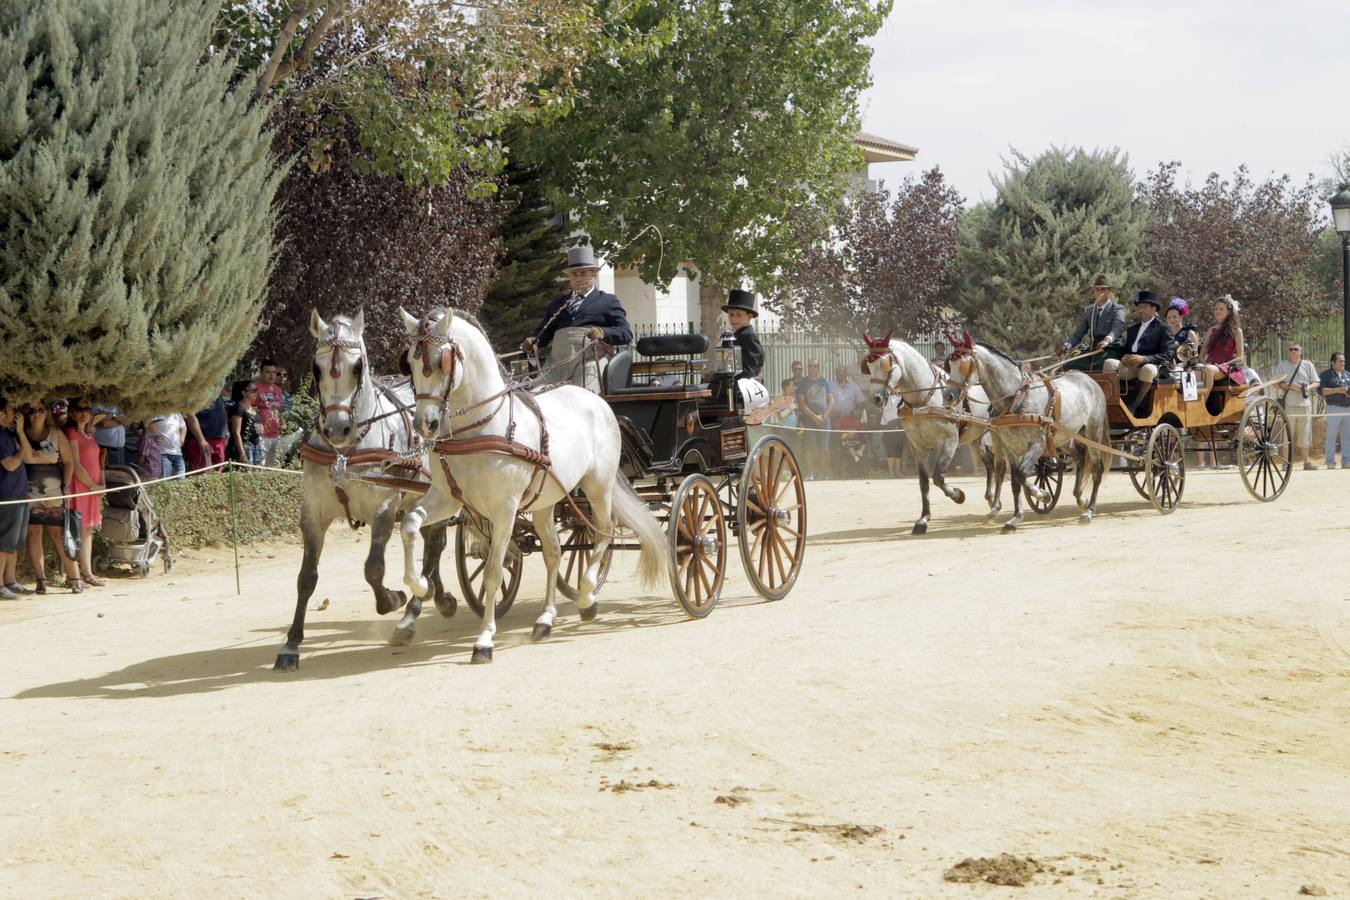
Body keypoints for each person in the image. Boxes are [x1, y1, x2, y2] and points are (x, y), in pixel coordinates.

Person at [521, 247, 632, 392]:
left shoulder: (608, 301)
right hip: (556, 366)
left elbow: (626, 333)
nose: (578, 278)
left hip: (589, 364)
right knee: (535, 395)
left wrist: (603, 332)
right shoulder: (557, 304)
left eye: (583, 273)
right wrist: (533, 341)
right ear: (570, 277)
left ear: (594, 275)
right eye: (574, 274)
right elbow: (544, 333)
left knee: (583, 397)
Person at [23, 404, 80, 594]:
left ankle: (75, 577)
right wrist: (48, 458)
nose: (35, 414)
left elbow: (69, 460)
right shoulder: (22, 433)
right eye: (31, 411)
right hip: (29, 491)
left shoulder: (56, 432)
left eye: (39, 410)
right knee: (34, 533)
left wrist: (66, 485)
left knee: (59, 533)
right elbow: (26, 458)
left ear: (46, 412)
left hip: (54, 489)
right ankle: (41, 580)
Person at [1103, 291, 1174, 416]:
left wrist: (1144, 359)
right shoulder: (1132, 329)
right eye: (1139, 307)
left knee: (1148, 369)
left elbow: (1167, 355)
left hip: (1152, 367)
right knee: (1109, 363)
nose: (1141, 310)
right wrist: (1124, 357)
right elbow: (1126, 350)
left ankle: (1132, 407)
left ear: (1154, 309)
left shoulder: (1163, 328)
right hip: (1131, 367)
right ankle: (1111, 404)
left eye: (1144, 307)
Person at [62, 399, 105, 588]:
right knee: (76, 530)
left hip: (91, 488)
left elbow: (98, 461)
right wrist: (93, 486)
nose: (84, 413)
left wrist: (101, 485)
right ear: (72, 412)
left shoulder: (89, 433)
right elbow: (76, 465)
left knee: (87, 529)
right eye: (80, 409)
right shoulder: (71, 432)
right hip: (80, 486)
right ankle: (75, 574)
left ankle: (87, 572)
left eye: (88, 409)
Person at [0, 397, 38, 599]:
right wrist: (22, 453)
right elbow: (10, 465)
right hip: (7, 495)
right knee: (4, 542)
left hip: (20, 493)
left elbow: (28, 454)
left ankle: (11, 580)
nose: (14, 416)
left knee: (14, 542)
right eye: (10, 412)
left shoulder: (10, 433)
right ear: (0, 414)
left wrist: (21, 432)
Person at [1059, 274, 1126, 371]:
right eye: (1096, 289)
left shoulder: (1117, 309)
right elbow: (1079, 333)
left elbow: (1118, 328)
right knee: (1067, 366)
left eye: (1102, 289)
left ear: (1110, 291)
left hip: (1110, 348)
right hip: (1093, 349)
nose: (1099, 292)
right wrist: (1067, 345)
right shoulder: (1090, 310)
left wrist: (1107, 340)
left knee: (1100, 367)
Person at [1273, 343, 1319, 470]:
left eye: (1296, 349)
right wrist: (1287, 386)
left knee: (1305, 435)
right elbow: (1275, 384)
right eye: (1291, 349)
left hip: (1305, 404)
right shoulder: (1282, 365)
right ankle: (1285, 463)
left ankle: (1306, 463)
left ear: (1301, 351)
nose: (1293, 351)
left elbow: (1316, 382)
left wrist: (1307, 388)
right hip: (1288, 404)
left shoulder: (1308, 365)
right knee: (1286, 435)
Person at [1198, 295, 1245, 392]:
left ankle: (1202, 404)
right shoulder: (1211, 331)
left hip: (1227, 367)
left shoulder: (1236, 331)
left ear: (1228, 312)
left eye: (1221, 309)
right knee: (1197, 369)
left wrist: (1224, 365)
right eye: (1216, 309)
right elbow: (1202, 355)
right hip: (1210, 365)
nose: (1217, 311)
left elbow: (1240, 357)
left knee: (1209, 370)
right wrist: (1203, 363)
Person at [796, 359, 831, 480]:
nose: (812, 368)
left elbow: (831, 400)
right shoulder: (803, 383)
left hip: (824, 418)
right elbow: (801, 404)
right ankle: (810, 473)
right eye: (809, 366)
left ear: (818, 367)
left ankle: (823, 472)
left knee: (824, 447)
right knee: (809, 446)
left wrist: (824, 415)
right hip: (809, 418)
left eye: (814, 366)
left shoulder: (824, 382)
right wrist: (814, 417)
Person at [187, 380, 231, 474]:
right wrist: (201, 440)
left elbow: (222, 412)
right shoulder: (194, 393)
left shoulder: (217, 394)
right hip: (201, 441)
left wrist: (226, 433)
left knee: (218, 473)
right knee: (202, 474)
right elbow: (190, 415)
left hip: (219, 440)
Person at [721, 289, 764, 381]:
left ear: (749, 317)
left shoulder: (749, 337)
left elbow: (748, 372)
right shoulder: (733, 336)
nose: (734, 319)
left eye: (739, 315)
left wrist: (717, 377)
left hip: (743, 390)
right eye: (731, 315)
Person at [1319, 352, 1350, 468]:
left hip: (1348, 408)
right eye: (1340, 361)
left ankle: (1347, 461)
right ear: (1333, 362)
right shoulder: (1325, 375)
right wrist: (1337, 390)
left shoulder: (1347, 374)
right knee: (1331, 436)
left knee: (1347, 436)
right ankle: (1330, 461)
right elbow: (1322, 391)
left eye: (1344, 361)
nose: (1343, 363)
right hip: (1333, 408)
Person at [254, 360, 285, 466]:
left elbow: (279, 409)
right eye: (268, 372)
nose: (271, 375)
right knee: (261, 466)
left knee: (275, 466)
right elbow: (249, 407)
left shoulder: (277, 390)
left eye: (274, 372)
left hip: (276, 433)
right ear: (261, 373)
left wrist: (282, 422)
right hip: (261, 435)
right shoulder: (255, 388)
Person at [227, 380, 262, 466]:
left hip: (256, 444)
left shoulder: (253, 408)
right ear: (244, 393)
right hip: (246, 445)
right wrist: (242, 453)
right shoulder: (238, 409)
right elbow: (236, 432)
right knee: (247, 472)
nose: (256, 393)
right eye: (253, 391)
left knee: (257, 473)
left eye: (256, 390)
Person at [147, 411, 188, 478]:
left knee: (181, 479)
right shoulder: (154, 413)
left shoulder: (177, 413)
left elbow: (183, 427)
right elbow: (146, 430)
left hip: (178, 453)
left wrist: (182, 439)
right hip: (162, 454)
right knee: (166, 480)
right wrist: (152, 438)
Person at [1163, 297, 1201, 365]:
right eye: (1169, 317)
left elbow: (1195, 357)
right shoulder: (1164, 334)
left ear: (1181, 317)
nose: (1171, 320)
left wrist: (1183, 364)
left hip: (1184, 369)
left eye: (1174, 317)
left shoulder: (1190, 333)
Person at [93, 404, 127, 469]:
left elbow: (125, 420)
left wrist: (111, 416)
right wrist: (118, 420)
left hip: (120, 450)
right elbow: (104, 423)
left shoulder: (119, 405)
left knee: (119, 476)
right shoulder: (97, 405)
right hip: (104, 450)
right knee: (105, 475)